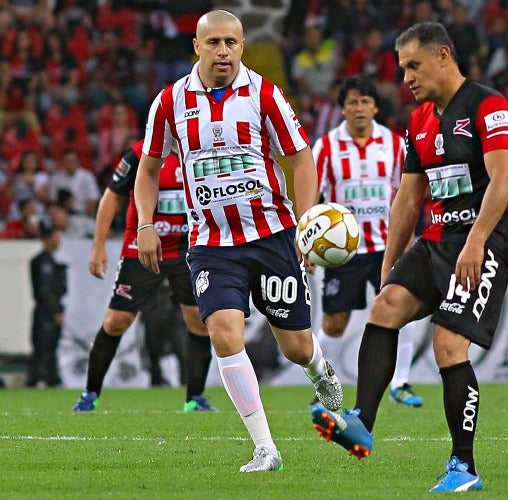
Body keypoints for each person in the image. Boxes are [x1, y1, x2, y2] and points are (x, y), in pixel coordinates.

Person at [311, 22, 508, 493]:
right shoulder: (419, 120)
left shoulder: (489, 106)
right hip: (438, 238)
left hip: (483, 243)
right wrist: (390, 262)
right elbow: (408, 198)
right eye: (402, 67)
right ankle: (361, 424)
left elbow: (503, 181)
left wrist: (477, 240)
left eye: (413, 65)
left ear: (443, 56)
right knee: (384, 308)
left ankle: (464, 467)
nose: (405, 76)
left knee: (448, 344)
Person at [134, 10, 342, 473]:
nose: (223, 51)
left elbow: (302, 159)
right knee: (224, 333)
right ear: (197, 46)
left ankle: (319, 370)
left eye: (231, 42)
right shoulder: (169, 102)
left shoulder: (265, 94)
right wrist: (146, 224)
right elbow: (147, 170)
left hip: (271, 236)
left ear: (243, 46)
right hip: (211, 243)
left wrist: (306, 221)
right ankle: (265, 449)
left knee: (296, 347)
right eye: (214, 43)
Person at [71, 139, 216, 413]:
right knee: (117, 321)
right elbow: (112, 195)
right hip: (143, 247)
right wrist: (98, 246)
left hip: (188, 248)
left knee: (198, 319)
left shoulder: (202, 151)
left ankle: (195, 398)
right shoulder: (141, 153)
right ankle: (90, 394)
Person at [311, 75, 423, 408]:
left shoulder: (394, 144)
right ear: (342, 108)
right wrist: (307, 246)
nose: (359, 108)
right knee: (334, 322)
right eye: (352, 102)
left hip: (388, 246)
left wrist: (410, 240)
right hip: (341, 252)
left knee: (402, 312)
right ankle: (324, 388)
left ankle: (400, 383)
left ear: (375, 107)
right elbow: (312, 196)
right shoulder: (326, 147)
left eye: (365, 102)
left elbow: (408, 195)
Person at [27, 223, 67, 387]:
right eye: (56, 237)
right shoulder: (41, 262)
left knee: (51, 345)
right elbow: (45, 290)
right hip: (45, 310)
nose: (58, 241)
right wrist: (56, 311)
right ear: (48, 239)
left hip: (50, 308)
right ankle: (36, 379)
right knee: (43, 345)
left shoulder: (52, 261)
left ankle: (51, 378)